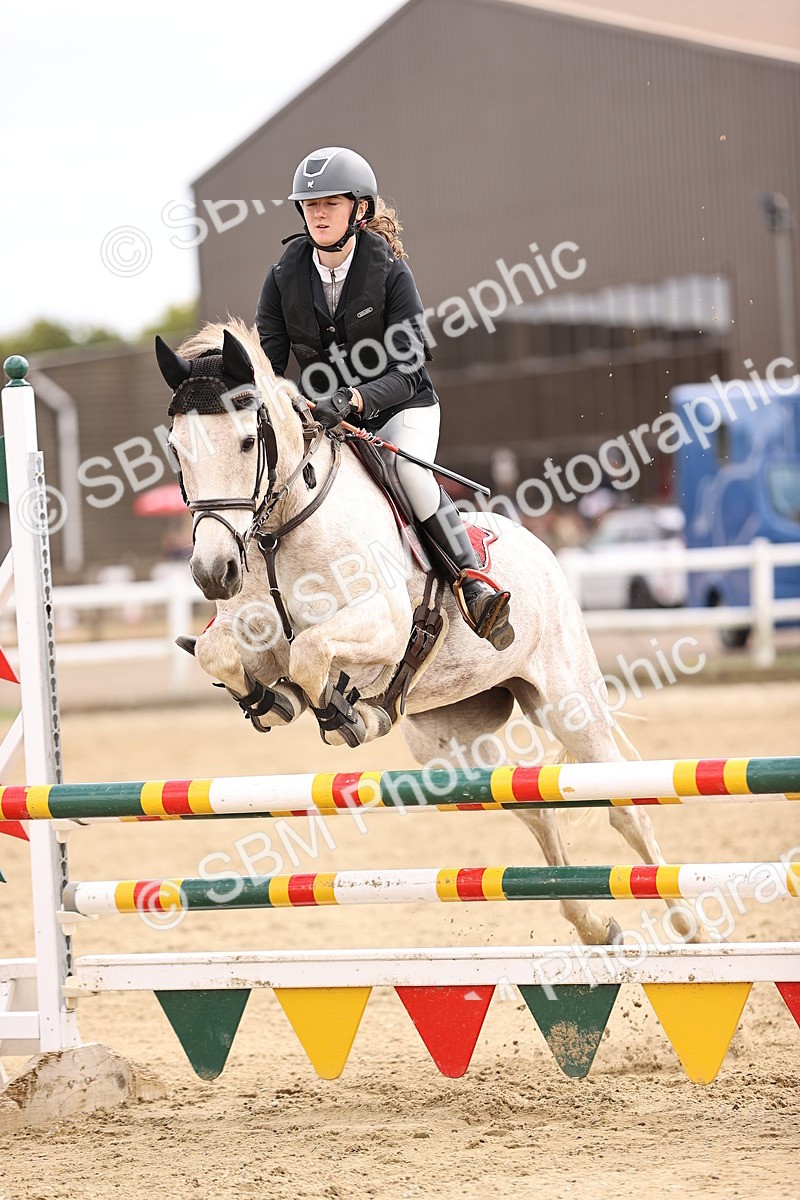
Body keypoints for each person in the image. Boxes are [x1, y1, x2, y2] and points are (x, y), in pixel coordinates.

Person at [255, 146, 514, 650]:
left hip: (401, 410)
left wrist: (353, 400)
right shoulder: (282, 277)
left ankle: (471, 580)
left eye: (331, 202)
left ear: (361, 210)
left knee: (410, 474)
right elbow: (268, 363)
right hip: (327, 420)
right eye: (310, 205)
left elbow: (410, 368)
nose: (319, 213)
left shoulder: (391, 274)